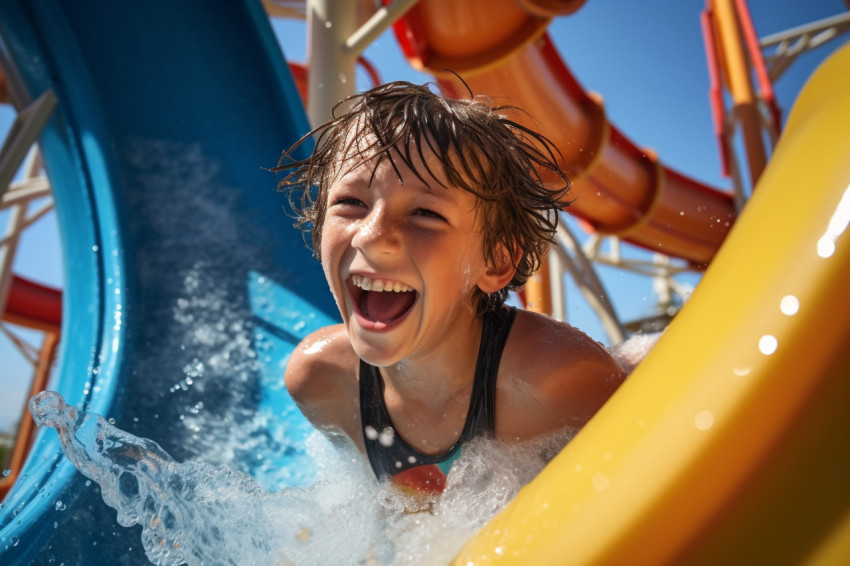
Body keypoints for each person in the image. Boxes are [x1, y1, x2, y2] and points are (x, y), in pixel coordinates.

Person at [275, 80, 625, 499]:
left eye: (425, 213)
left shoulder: (554, 383)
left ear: (495, 260)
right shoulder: (322, 380)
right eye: (351, 203)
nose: (371, 235)